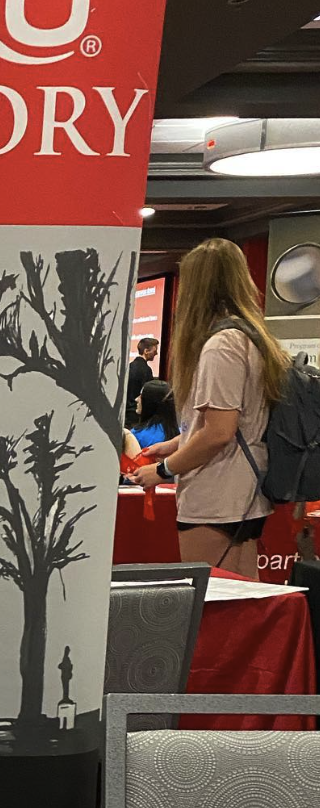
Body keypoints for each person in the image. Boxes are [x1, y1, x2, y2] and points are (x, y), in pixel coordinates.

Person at [132, 238, 287, 578]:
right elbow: (224, 422)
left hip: (218, 497)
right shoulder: (250, 339)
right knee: (242, 603)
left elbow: (218, 433)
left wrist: (161, 471)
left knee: (216, 607)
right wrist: (173, 446)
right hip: (239, 495)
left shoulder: (223, 345)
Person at [130, 379, 179, 450]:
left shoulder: (137, 435)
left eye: (141, 396)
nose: (136, 399)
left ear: (150, 403)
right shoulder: (182, 433)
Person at [125, 337, 159, 424]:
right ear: (146, 351)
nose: (156, 354)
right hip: (138, 417)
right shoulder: (146, 370)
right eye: (154, 351)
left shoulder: (128, 367)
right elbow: (149, 395)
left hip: (125, 414)